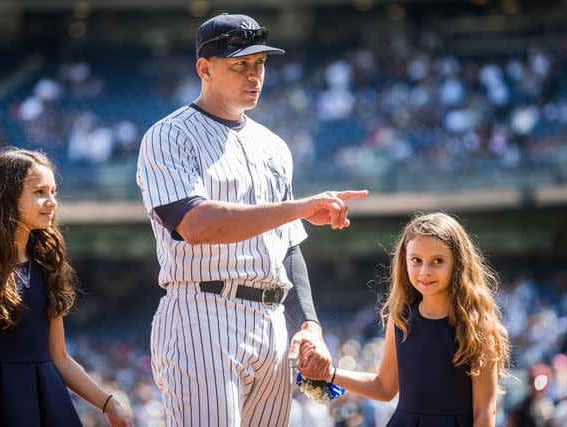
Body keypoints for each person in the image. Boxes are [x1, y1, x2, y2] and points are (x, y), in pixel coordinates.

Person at [136, 12, 367, 427]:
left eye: (259, 63)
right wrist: (299, 207)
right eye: (239, 64)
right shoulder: (169, 135)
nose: (253, 74)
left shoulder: (274, 146)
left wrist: (311, 325)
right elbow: (196, 224)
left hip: (273, 322)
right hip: (202, 313)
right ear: (204, 69)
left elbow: (288, 248)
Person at [0, 148, 133, 427]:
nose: (52, 201)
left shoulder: (47, 265)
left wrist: (108, 402)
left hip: (46, 403)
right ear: (6, 197)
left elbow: (60, 357)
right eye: (40, 192)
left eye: (53, 191)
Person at [298, 212, 511, 427]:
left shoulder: (477, 324)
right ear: (404, 262)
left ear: (458, 263)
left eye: (437, 261)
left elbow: (485, 412)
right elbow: (384, 387)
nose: (425, 271)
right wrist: (329, 374)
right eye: (416, 260)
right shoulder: (400, 318)